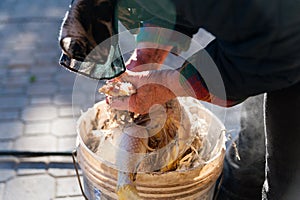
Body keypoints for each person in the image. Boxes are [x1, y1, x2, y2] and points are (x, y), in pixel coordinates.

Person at [59, 0, 300, 199]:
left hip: (288, 44)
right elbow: (175, 7)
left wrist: (168, 84)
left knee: (288, 181)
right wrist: (147, 55)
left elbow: (276, 54)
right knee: (254, 140)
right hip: (272, 35)